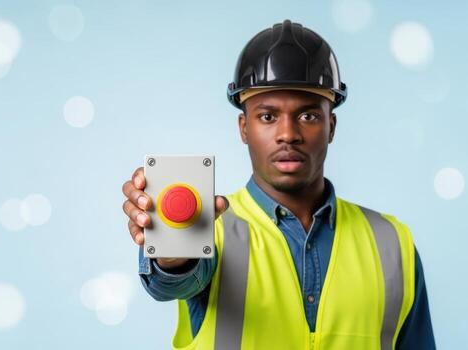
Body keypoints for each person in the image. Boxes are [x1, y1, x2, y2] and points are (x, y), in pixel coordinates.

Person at [121, 19, 435, 349]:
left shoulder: (392, 242)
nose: (288, 134)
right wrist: (171, 253)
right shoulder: (208, 228)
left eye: (309, 115)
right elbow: (172, 283)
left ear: (332, 125)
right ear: (244, 128)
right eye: (268, 116)